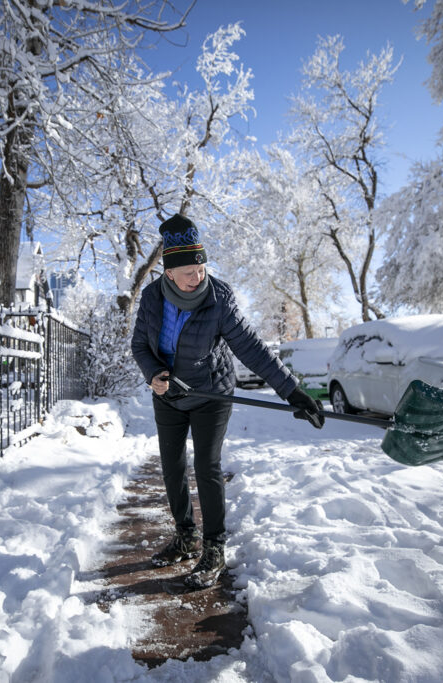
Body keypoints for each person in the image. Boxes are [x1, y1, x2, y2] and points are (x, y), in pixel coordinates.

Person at [130, 213, 324, 588]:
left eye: (200, 267)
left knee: (207, 465)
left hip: (210, 395)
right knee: (172, 467)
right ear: (169, 272)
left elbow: (251, 347)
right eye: (187, 271)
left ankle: (214, 547)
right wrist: (154, 373)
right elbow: (140, 345)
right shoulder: (152, 298)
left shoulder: (219, 299)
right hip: (168, 394)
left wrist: (292, 390)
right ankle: (186, 536)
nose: (196, 276)